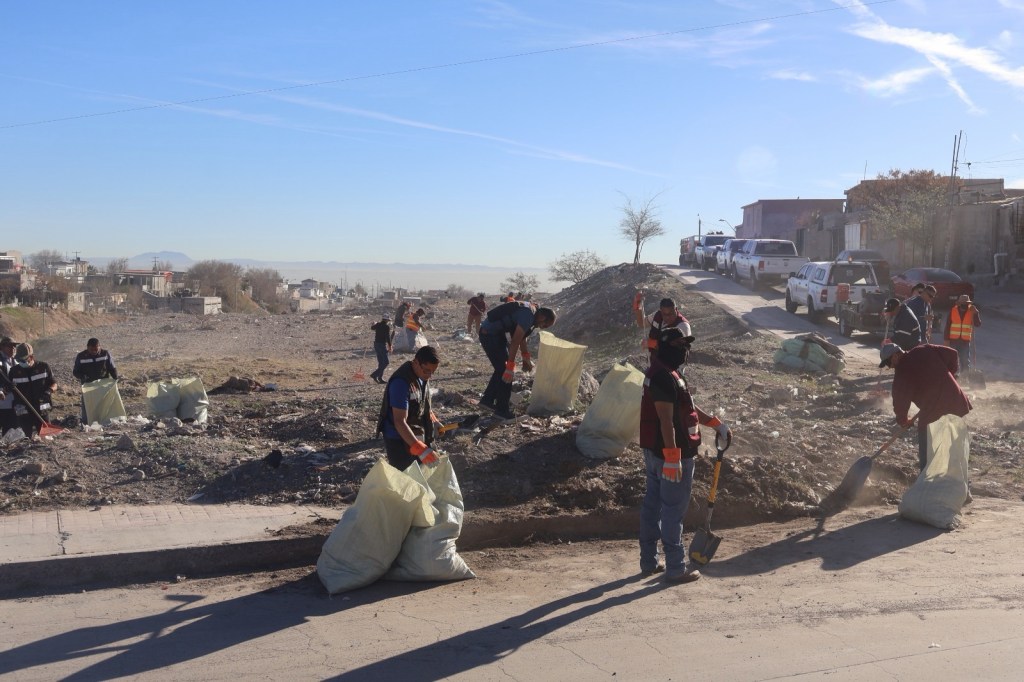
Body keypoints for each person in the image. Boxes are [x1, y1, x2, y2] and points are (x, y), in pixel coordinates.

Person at [639, 326, 731, 583]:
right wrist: (672, 457)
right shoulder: (662, 377)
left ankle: (649, 562)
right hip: (670, 455)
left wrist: (715, 424)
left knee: (654, 505)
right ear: (668, 347)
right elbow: (666, 420)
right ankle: (676, 567)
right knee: (671, 510)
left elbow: (687, 406)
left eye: (687, 346)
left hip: (659, 452)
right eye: (681, 346)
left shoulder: (669, 373)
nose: (686, 351)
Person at [879, 342, 972, 475]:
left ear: (895, 356)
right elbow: (953, 354)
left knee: (925, 438)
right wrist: (948, 374)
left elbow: (900, 400)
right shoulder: (923, 349)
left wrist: (903, 420)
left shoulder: (903, 371)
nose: (890, 367)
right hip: (955, 400)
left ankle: (926, 477)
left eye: (888, 363)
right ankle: (960, 485)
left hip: (934, 408)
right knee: (953, 446)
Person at [478, 301, 556, 420]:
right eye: (544, 325)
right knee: (505, 371)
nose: (541, 327)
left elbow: (521, 337)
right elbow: (515, 341)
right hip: (489, 334)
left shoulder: (531, 312)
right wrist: (510, 366)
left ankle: (487, 400)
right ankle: (501, 410)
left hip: (495, 334)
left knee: (502, 369)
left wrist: (526, 357)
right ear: (542, 317)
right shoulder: (528, 315)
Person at [376, 345, 444, 470]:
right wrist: (420, 449)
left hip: (416, 434)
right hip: (399, 439)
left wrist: (434, 421)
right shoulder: (401, 383)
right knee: (406, 478)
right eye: (426, 370)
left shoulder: (422, 376)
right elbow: (399, 421)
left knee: (423, 474)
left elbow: (422, 403)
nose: (429, 375)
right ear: (416, 362)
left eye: (433, 372)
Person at [9, 343, 58, 440]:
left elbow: (54, 384)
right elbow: (7, 389)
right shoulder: (14, 372)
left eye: (23, 360)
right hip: (23, 410)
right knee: (25, 439)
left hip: (41, 408)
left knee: (46, 438)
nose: (21, 362)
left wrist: (49, 391)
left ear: (31, 357)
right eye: (18, 360)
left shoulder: (43, 367)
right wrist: (8, 388)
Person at [72, 337, 119, 424]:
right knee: (88, 405)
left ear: (99, 347)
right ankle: (87, 422)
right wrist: (83, 377)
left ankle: (105, 420)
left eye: (96, 349)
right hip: (88, 386)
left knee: (105, 404)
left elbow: (112, 367)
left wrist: (115, 378)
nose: (94, 351)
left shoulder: (105, 354)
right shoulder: (81, 356)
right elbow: (75, 372)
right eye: (91, 349)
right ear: (87, 347)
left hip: (103, 385)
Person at [944, 294, 982, 373]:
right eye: (963, 303)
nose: (964, 305)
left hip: (965, 341)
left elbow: (978, 324)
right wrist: (946, 339)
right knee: (952, 360)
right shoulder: (953, 311)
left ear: (968, 304)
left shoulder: (971, 311)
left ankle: (965, 378)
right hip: (953, 340)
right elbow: (947, 326)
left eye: (966, 304)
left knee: (965, 360)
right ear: (959, 303)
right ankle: (953, 376)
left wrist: (976, 313)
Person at [369, 316, 394, 384]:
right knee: (386, 362)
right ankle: (375, 375)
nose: (388, 321)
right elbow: (388, 337)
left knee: (381, 362)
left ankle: (380, 378)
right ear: (386, 320)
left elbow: (372, 328)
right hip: (381, 345)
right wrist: (390, 346)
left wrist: (374, 323)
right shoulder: (386, 327)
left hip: (376, 345)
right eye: (388, 320)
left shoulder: (378, 325)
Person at [0, 337, 18, 434]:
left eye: (15, 346)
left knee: (10, 429)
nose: (13, 348)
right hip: (2, 400)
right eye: (10, 346)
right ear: (2, 347)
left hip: (12, 403)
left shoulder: (15, 361)